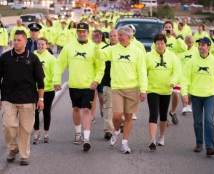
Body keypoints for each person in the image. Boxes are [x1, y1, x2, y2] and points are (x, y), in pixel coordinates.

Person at [94, 25, 147, 154]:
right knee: (117, 116)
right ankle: (116, 131)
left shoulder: (137, 52)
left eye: (120, 35)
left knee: (128, 116)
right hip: (116, 87)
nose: (118, 37)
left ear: (128, 36)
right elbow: (99, 56)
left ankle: (125, 143)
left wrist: (143, 89)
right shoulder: (113, 49)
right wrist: (97, 44)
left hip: (132, 88)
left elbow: (142, 71)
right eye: (117, 35)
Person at [53, 23, 104, 152]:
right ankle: (78, 132)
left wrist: (96, 80)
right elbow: (59, 64)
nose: (82, 33)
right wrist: (56, 80)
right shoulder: (69, 47)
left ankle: (86, 139)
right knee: (76, 108)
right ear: (76, 32)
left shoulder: (94, 48)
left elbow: (100, 67)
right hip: (74, 84)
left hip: (88, 86)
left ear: (88, 32)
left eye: (84, 31)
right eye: (79, 31)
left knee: (86, 110)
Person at [0, 30, 44, 165]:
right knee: (8, 126)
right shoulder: (5, 57)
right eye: (14, 40)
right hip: (8, 98)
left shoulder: (33, 58)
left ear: (26, 41)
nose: (16, 42)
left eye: (19, 40)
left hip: (28, 99)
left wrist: (40, 99)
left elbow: (40, 80)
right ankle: (13, 148)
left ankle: (24, 155)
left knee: (25, 129)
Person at [181, 37, 214, 156]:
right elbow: (184, 78)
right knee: (197, 121)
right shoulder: (192, 61)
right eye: (199, 45)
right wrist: (184, 93)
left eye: (203, 45)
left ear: (208, 47)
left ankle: (210, 147)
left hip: (209, 95)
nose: (200, 47)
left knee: (208, 120)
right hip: (196, 95)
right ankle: (199, 143)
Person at [146, 34, 180, 150]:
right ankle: (152, 140)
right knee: (153, 113)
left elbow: (177, 71)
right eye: (158, 43)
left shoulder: (172, 56)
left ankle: (161, 136)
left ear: (165, 44)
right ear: (154, 44)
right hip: (152, 89)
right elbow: (142, 71)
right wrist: (142, 87)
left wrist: (174, 82)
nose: (160, 46)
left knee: (164, 114)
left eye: (162, 43)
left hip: (166, 89)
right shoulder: (148, 56)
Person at [152, 21, 187, 125]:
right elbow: (153, 49)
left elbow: (183, 49)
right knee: (162, 96)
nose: (168, 29)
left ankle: (173, 112)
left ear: (173, 28)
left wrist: (177, 36)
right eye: (166, 27)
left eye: (170, 27)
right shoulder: (159, 40)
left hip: (175, 72)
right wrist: (161, 36)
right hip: (162, 71)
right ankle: (164, 117)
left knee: (176, 95)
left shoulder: (176, 39)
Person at [33, 37, 56, 144]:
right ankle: (36, 134)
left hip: (48, 89)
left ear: (46, 46)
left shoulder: (51, 58)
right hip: (34, 89)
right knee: (35, 112)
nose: (40, 46)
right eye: (39, 44)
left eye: (42, 44)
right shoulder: (33, 56)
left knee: (46, 112)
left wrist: (55, 83)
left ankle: (46, 133)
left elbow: (55, 72)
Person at [101, 29, 118, 140]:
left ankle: (119, 123)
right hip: (108, 83)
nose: (112, 38)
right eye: (110, 36)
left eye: (114, 36)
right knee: (109, 106)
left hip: (122, 83)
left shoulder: (123, 50)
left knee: (120, 108)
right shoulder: (104, 50)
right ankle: (108, 129)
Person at [180, 35, 198, 115]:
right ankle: (184, 107)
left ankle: (188, 105)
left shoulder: (196, 51)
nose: (188, 45)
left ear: (193, 43)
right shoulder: (182, 50)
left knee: (190, 90)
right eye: (187, 43)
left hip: (192, 73)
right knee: (183, 90)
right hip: (183, 73)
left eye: (190, 43)